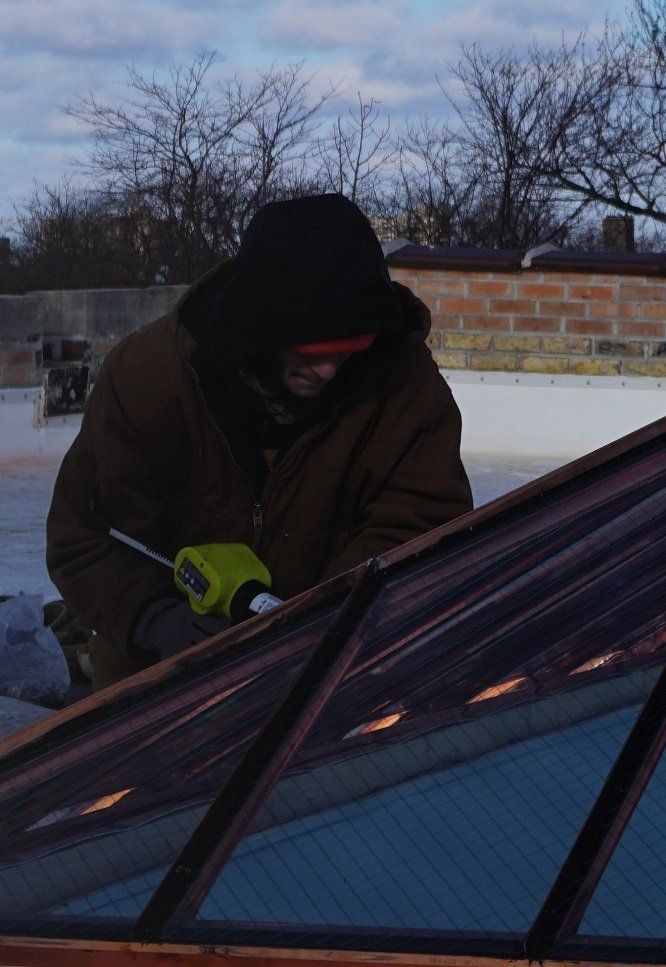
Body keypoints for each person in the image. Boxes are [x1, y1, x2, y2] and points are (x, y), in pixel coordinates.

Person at [47, 193, 472, 689]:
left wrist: (320, 622)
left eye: (348, 352)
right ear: (258, 333)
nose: (328, 371)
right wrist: (154, 619)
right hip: (154, 692)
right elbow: (84, 536)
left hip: (327, 681)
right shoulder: (149, 380)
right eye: (310, 353)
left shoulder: (404, 391)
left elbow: (423, 528)